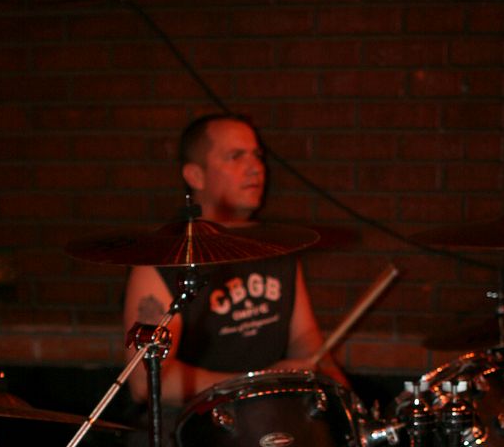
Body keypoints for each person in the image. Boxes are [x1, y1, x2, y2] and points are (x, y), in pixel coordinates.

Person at [123, 112, 348, 413]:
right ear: (195, 176)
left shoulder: (276, 246)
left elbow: (306, 340)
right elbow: (145, 382)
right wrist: (258, 384)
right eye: (235, 156)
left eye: (257, 156)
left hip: (271, 420)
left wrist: (344, 398)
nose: (256, 168)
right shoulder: (161, 261)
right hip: (195, 427)